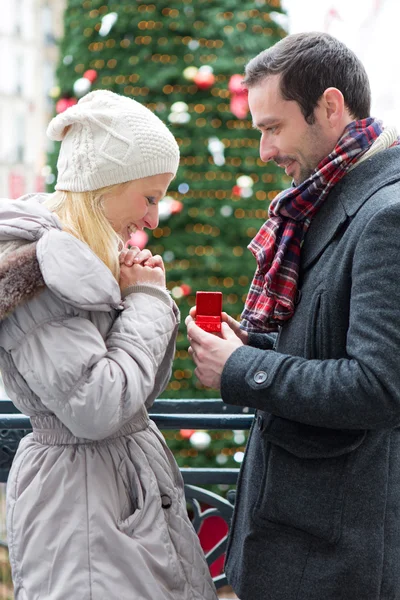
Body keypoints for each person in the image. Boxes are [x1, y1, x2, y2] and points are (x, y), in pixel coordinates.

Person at [186, 31, 400, 600]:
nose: (264, 152)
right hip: (305, 546)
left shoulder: (387, 216)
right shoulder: (327, 200)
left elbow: (379, 387)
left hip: (337, 562)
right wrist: (249, 345)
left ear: (330, 107)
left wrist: (242, 369)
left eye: (271, 128)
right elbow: (319, 346)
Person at [0, 90, 218, 600]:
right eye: (148, 197)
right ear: (104, 186)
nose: (153, 219)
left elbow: (134, 394)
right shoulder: (36, 272)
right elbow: (97, 407)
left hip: (103, 498)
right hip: (83, 507)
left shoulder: (78, 260)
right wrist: (143, 302)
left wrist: (138, 298)